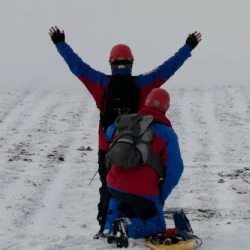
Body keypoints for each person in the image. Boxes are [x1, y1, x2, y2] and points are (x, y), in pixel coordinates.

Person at [49, 25, 200, 235]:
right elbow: (168, 68)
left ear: (111, 63)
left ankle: (105, 227)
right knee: (136, 181)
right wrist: (188, 46)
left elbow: (78, 67)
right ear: (131, 62)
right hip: (139, 148)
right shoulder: (143, 84)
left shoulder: (100, 83)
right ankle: (134, 222)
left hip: (108, 147)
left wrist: (60, 43)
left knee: (109, 186)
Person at [101, 87, 186, 244]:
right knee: (156, 227)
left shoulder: (127, 122)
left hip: (113, 184)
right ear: (166, 107)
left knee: (118, 199)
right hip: (142, 191)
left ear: (146, 102)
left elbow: (108, 134)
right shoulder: (167, 133)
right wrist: (160, 196)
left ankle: (109, 227)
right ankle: (127, 228)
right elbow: (176, 169)